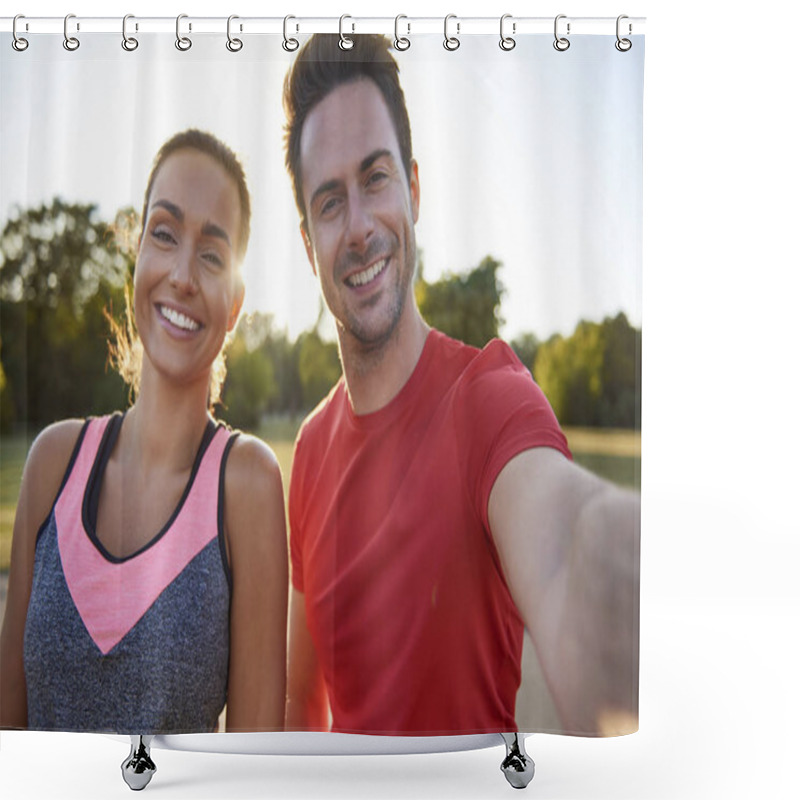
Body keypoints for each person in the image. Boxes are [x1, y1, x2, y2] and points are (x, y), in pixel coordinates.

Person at [282, 35, 640, 737]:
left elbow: (572, 544)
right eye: (329, 202)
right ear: (306, 243)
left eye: (376, 178)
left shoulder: (489, 400)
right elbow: (302, 703)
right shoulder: (310, 450)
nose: (358, 227)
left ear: (414, 189)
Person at [0, 130, 288, 733]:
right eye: (164, 233)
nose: (183, 275)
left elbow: (257, 777)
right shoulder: (53, 463)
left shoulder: (246, 485)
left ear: (235, 305)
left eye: (212, 253)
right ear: (137, 253)